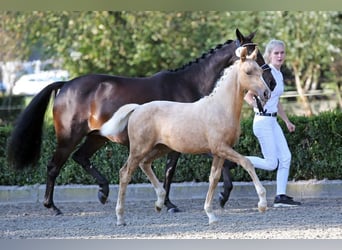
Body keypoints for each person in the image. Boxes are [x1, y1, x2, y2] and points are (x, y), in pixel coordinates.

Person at [244, 39, 301, 207]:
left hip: (273, 121)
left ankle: (280, 197)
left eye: (282, 52)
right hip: (262, 122)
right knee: (271, 163)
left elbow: (276, 101)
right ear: (269, 55)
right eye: (276, 53)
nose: (280, 56)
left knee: (286, 157)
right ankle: (238, 159)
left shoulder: (279, 73)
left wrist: (287, 121)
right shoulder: (263, 73)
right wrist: (257, 106)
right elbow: (247, 95)